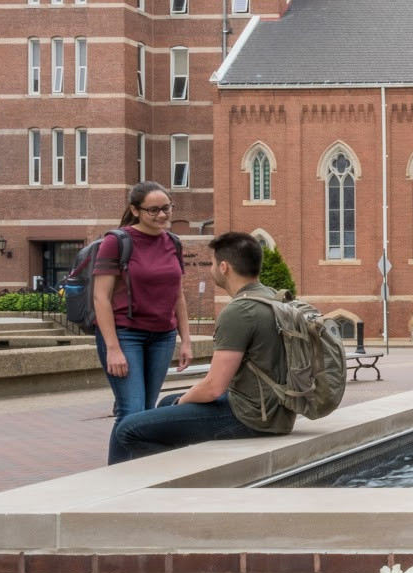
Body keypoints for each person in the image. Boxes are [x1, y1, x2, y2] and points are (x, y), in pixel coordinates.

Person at [109, 231, 293, 464]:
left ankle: (181, 476)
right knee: (166, 404)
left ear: (224, 267)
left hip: (252, 417)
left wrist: (182, 402)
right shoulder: (273, 298)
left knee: (128, 429)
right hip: (276, 410)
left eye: (213, 263)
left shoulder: (240, 311)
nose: (211, 268)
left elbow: (213, 388)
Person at [93, 181, 192, 429]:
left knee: (148, 410)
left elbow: (177, 294)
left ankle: (140, 465)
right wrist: (113, 349)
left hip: (163, 336)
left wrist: (186, 341)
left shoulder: (173, 242)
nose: (162, 215)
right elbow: (101, 298)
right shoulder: (117, 242)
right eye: (154, 210)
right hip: (126, 335)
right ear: (135, 210)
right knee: (131, 411)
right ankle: (121, 467)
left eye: (167, 208)